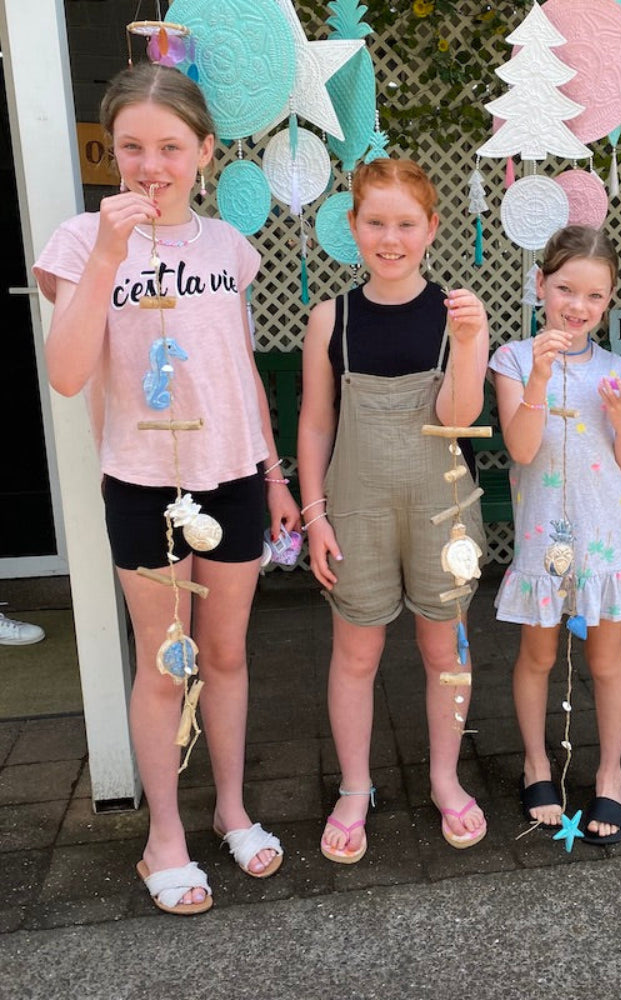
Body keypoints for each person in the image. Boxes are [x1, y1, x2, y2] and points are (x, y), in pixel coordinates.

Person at [34, 63, 299, 914]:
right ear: (111, 151)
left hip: (232, 481)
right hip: (144, 486)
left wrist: (273, 472)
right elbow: (68, 375)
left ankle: (230, 811)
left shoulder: (227, 247)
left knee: (225, 657)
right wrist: (111, 253)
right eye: (132, 146)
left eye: (172, 147)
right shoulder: (83, 240)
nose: (152, 164)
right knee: (164, 667)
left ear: (206, 152)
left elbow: (240, 369)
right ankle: (164, 840)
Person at [297, 158, 490, 862]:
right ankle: (354, 786)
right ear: (352, 228)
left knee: (445, 650)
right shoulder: (331, 318)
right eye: (375, 222)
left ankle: (444, 776)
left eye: (406, 223)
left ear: (431, 229)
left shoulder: (458, 316)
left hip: (441, 512)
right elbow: (317, 424)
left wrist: (469, 346)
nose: (390, 237)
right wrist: (315, 515)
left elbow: (460, 418)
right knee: (356, 652)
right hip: (356, 511)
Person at [489, 225, 621, 845]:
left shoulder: (618, 371)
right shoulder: (511, 359)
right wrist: (536, 376)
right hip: (541, 538)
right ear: (540, 286)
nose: (578, 307)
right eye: (565, 289)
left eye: (595, 296)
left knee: (607, 662)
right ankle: (535, 761)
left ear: (609, 301)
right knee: (538, 655)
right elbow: (522, 447)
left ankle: (609, 773)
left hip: (603, 537)